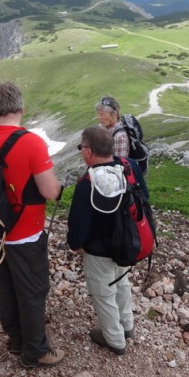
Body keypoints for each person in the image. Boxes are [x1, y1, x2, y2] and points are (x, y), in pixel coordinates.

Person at [0, 81, 65, 368]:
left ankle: (15, 341)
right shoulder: (31, 142)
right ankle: (36, 351)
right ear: (20, 108)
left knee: (6, 287)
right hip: (25, 234)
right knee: (32, 291)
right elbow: (50, 191)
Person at [66, 126, 148, 355]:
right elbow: (145, 197)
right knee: (121, 282)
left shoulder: (87, 183)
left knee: (103, 292)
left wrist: (75, 244)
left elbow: (78, 225)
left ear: (88, 152)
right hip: (127, 243)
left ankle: (114, 340)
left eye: (82, 148)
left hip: (99, 250)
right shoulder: (129, 167)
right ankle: (127, 325)